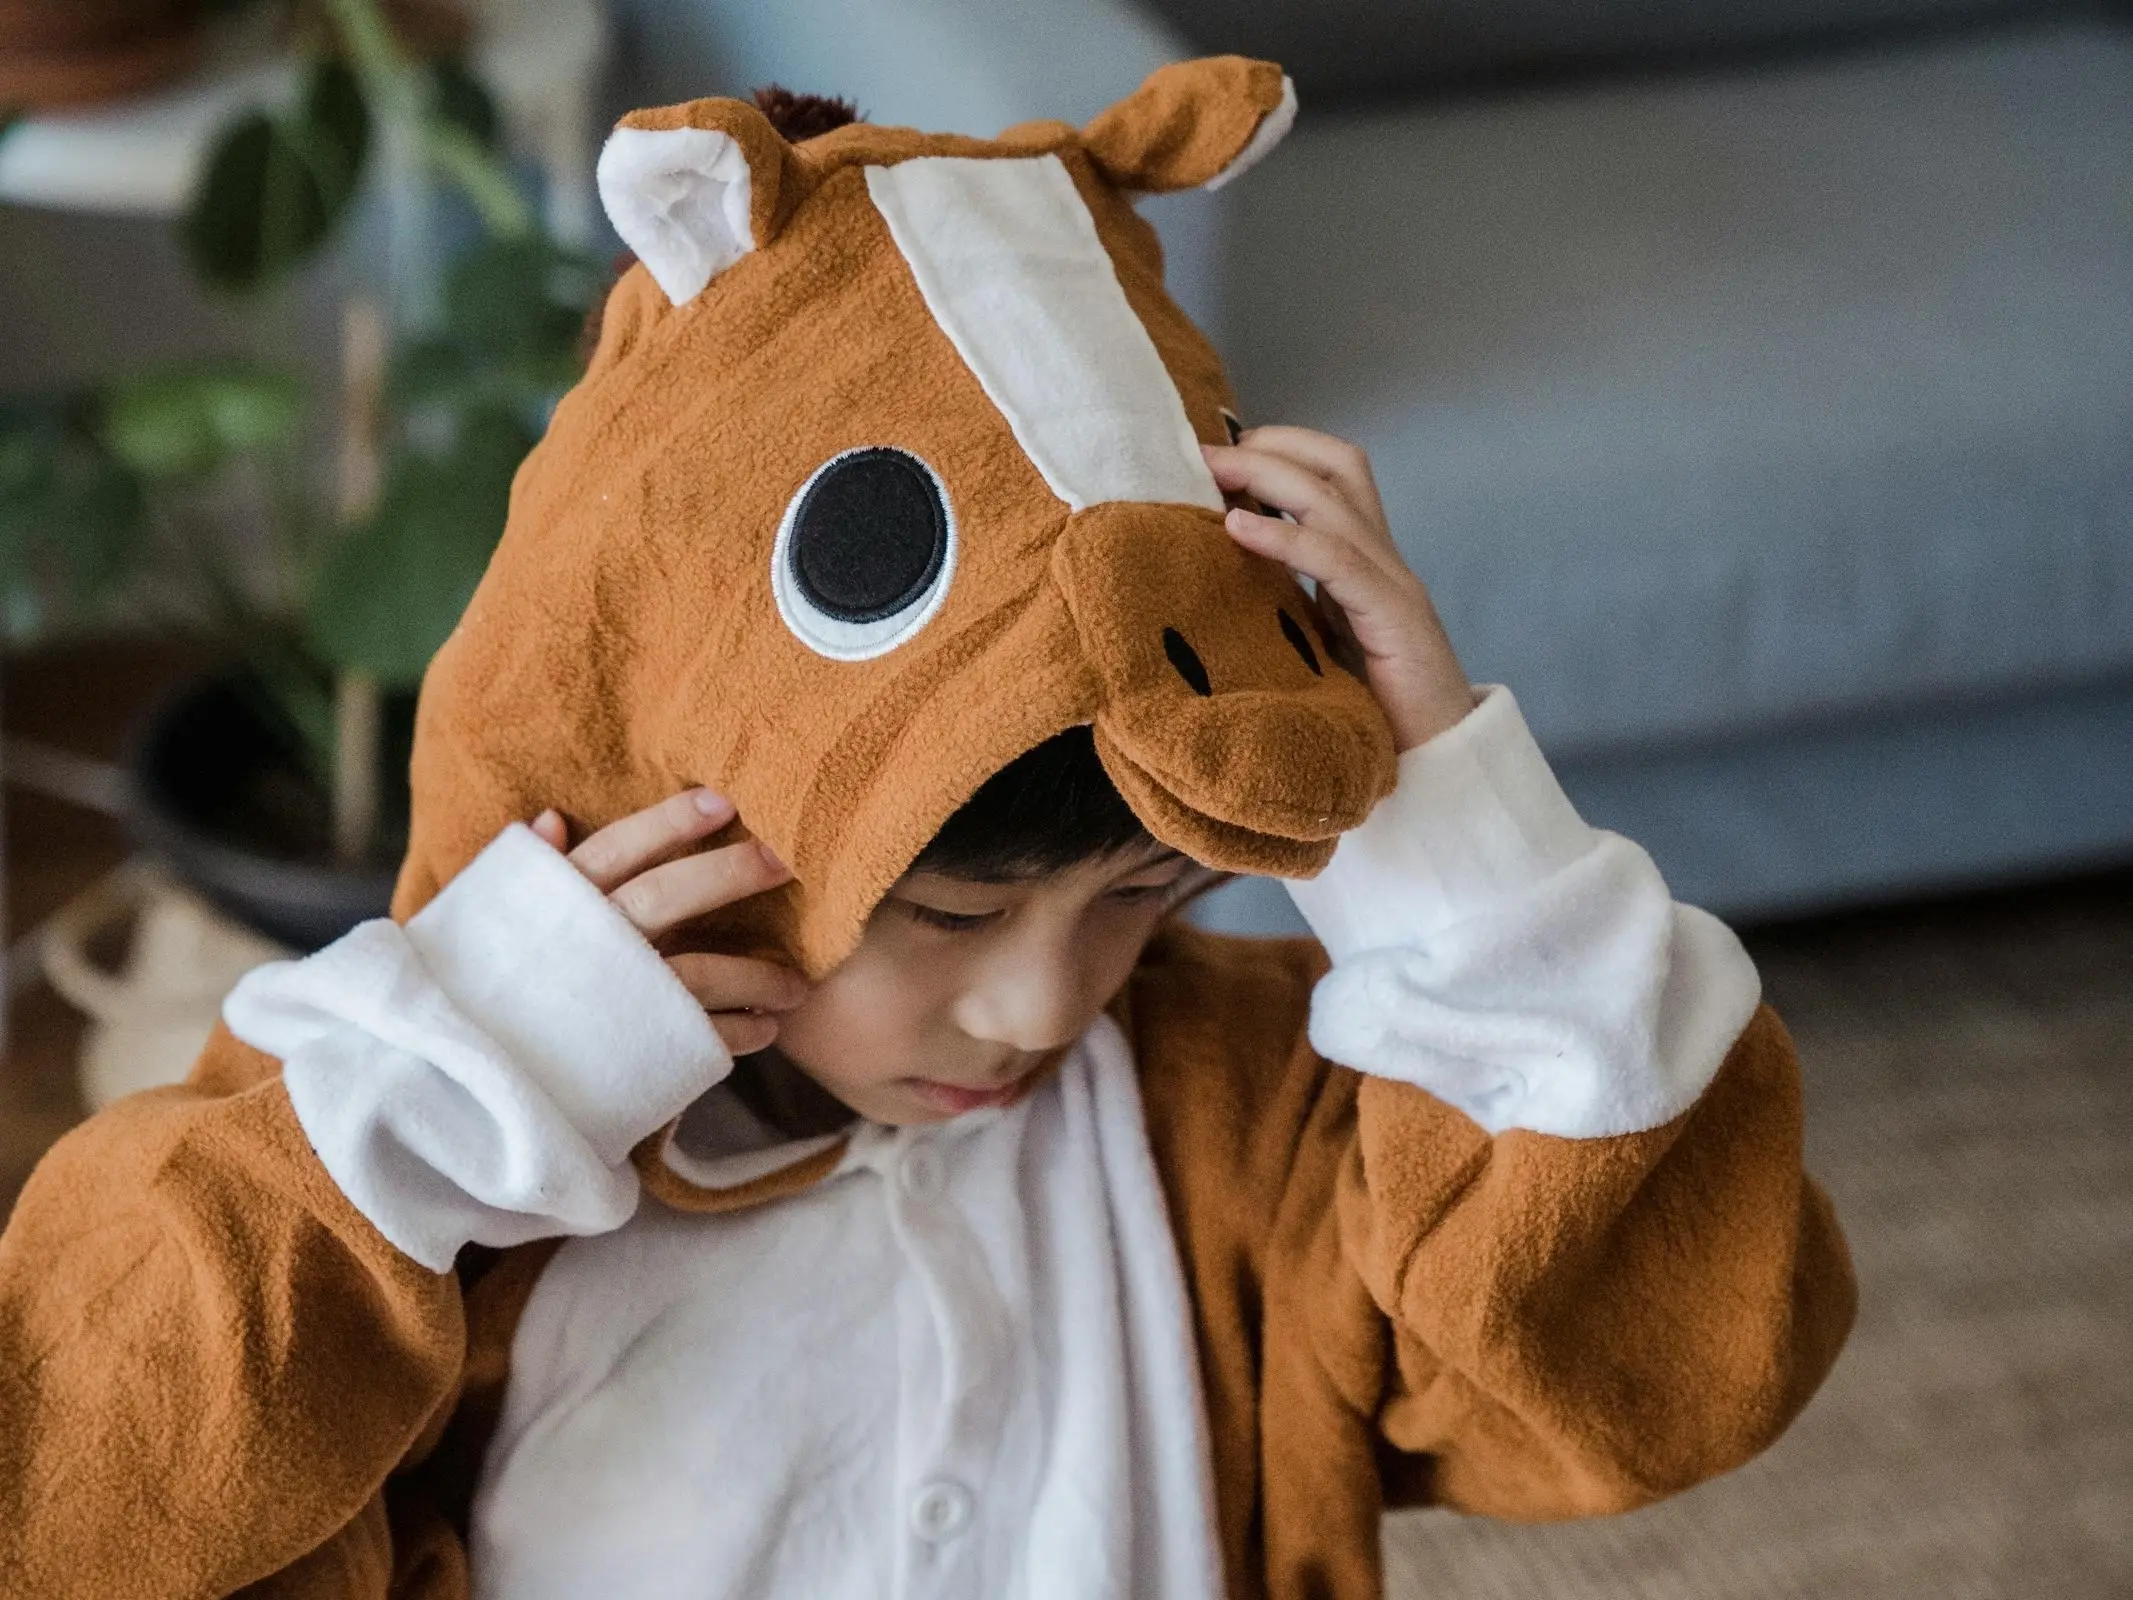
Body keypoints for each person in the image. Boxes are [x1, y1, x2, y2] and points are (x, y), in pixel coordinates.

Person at [0, 64, 1853, 1600]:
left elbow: (1663, 1382)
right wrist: (427, 1119)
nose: (1044, 1009)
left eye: (1142, 899)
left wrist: (1451, 832)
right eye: (950, 913)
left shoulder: (1237, 1128)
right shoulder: (406, 1147)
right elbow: (69, 1504)